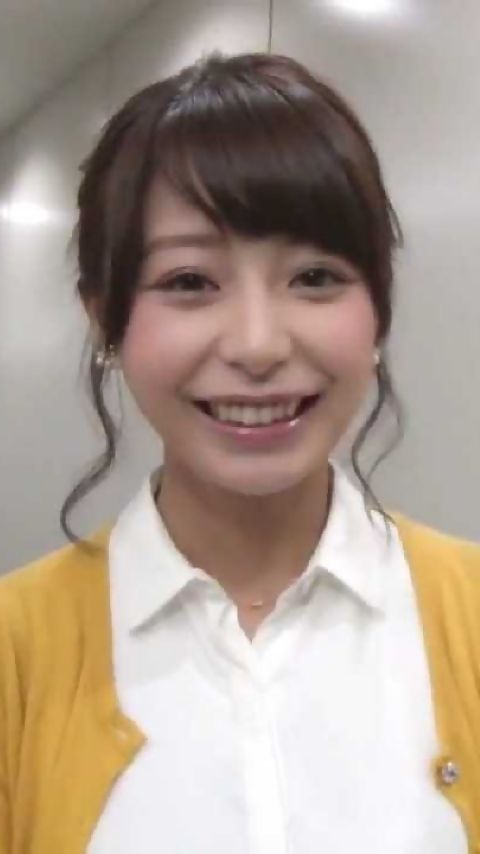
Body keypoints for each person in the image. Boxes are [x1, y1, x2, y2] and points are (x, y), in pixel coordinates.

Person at [1, 51, 479, 854]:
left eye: (315, 276)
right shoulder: (16, 652)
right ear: (105, 318)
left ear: (379, 309)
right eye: (190, 282)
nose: (258, 346)